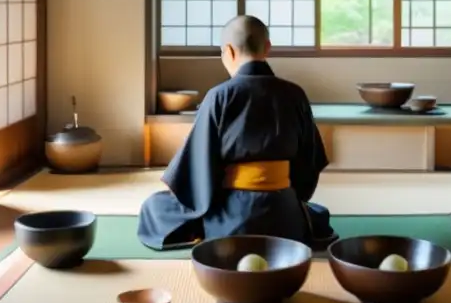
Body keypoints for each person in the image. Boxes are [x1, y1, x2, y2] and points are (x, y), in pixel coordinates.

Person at [137, 15, 336, 251]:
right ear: (268, 48)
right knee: (317, 213)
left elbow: (197, 166)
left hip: (233, 219)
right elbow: (308, 162)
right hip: (285, 218)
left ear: (229, 51)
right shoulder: (295, 94)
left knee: (155, 206)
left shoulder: (219, 96)